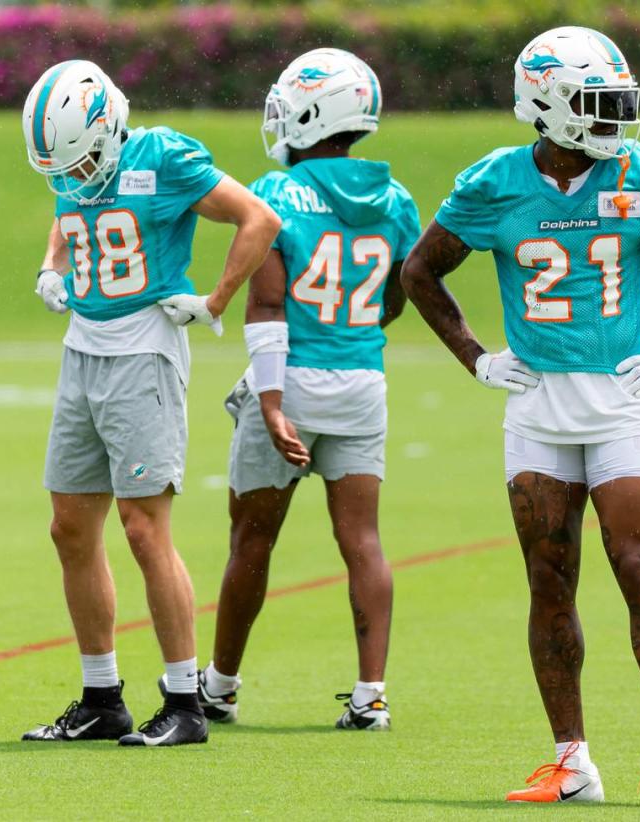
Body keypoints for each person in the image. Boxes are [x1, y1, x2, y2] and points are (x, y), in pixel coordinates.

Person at [401, 26, 640, 805]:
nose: (611, 120)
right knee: (549, 580)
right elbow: (420, 271)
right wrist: (477, 356)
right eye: (595, 103)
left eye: (616, 103)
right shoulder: (494, 183)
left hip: (622, 402)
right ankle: (572, 760)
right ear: (544, 103)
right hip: (536, 406)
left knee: (639, 568)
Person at [19, 59, 281, 747]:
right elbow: (66, 205)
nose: (72, 178)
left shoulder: (162, 157)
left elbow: (258, 219)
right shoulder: (74, 167)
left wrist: (214, 300)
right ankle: (103, 697)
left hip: (144, 354)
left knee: (143, 528)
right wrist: (53, 266)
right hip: (82, 352)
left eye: (80, 163)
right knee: (70, 528)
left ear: (111, 131)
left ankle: (185, 702)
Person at [186, 48, 419, 731]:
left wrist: (270, 400)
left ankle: (221, 686)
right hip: (362, 382)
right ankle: (371, 696)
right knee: (364, 541)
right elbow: (394, 297)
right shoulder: (395, 197)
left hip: (290, 380)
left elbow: (266, 307)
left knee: (251, 541)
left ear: (315, 114)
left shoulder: (279, 194)